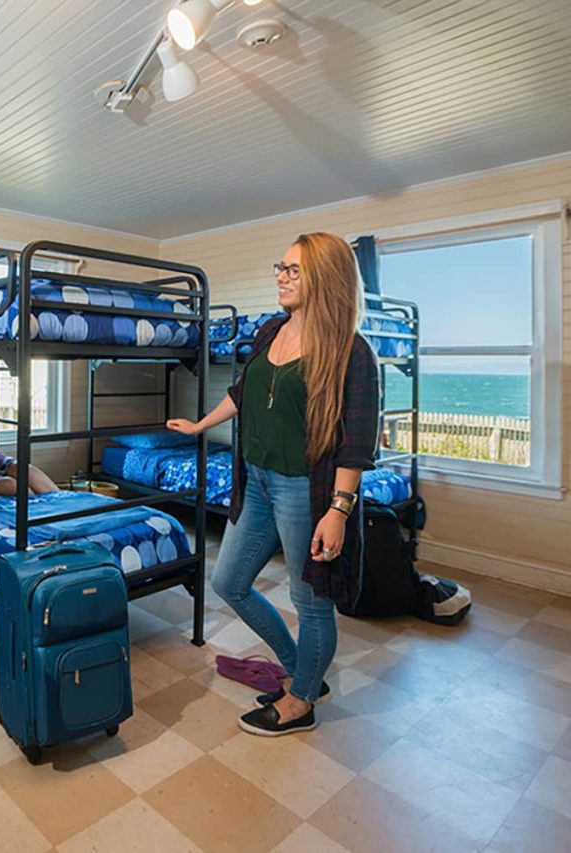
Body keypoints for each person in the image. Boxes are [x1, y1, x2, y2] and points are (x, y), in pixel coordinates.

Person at [167, 232, 379, 736]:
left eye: (293, 270)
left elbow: (356, 443)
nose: (281, 277)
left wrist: (339, 510)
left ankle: (301, 701)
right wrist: (201, 425)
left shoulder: (352, 352)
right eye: (280, 267)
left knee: (310, 602)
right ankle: (305, 671)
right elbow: (243, 393)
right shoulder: (270, 331)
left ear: (324, 279)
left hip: (305, 489)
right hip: (257, 482)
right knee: (229, 583)